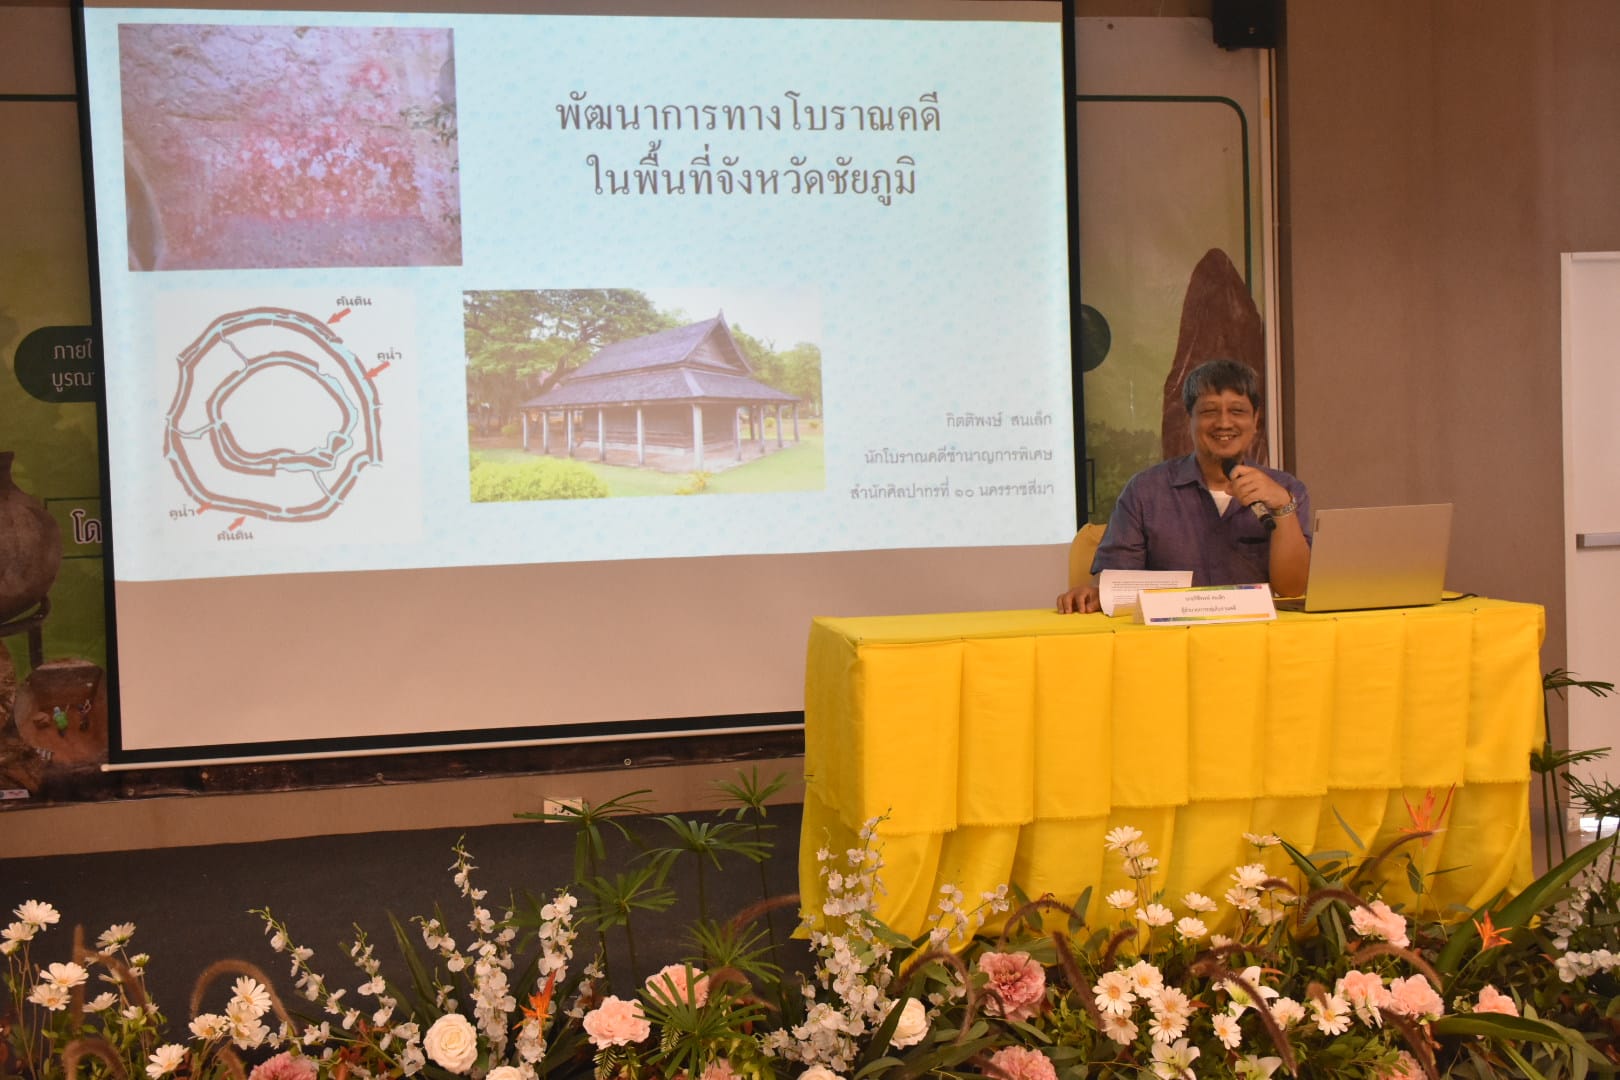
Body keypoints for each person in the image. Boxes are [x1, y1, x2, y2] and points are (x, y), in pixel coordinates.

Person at [1057, 358, 1311, 614]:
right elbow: (1116, 581)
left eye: (1237, 411)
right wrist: (1095, 592)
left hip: (1257, 633)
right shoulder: (1145, 491)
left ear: (1255, 421)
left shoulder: (1287, 490)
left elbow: (1293, 589)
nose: (1224, 423)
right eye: (1209, 411)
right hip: (1169, 634)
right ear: (1189, 419)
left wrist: (1283, 508)